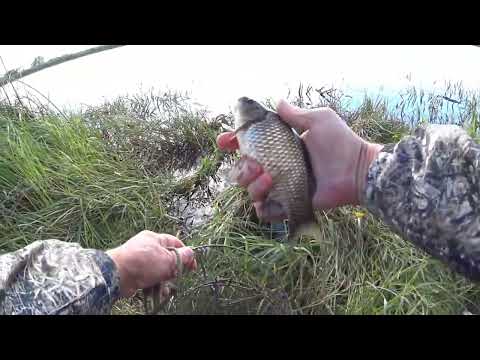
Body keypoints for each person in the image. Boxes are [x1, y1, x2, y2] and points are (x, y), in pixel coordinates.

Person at [1, 98, 479, 315]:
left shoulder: (257, 126)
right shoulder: (254, 129)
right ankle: (302, 217)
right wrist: (359, 167)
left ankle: (301, 218)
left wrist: (115, 269)